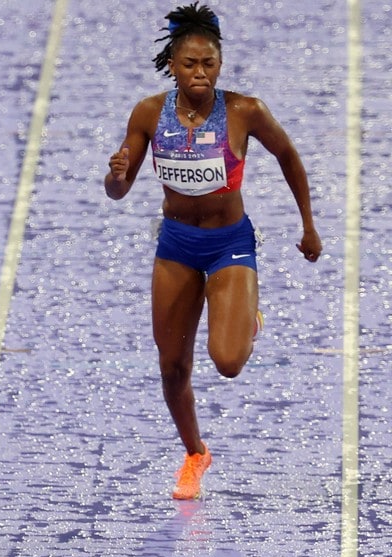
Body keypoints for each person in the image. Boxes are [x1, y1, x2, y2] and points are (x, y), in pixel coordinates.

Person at [104, 3, 321, 500]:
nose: (199, 73)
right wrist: (116, 177)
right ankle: (195, 454)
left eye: (208, 64)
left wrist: (308, 225)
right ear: (172, 67)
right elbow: (118, 190)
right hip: (177, 245)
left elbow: (288, 155)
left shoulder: (245, 111)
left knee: (227, 361)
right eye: (189, 64)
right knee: (172, 367)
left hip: (229, 245)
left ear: (219, 65)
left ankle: (247, 318)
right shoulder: (147, 113)